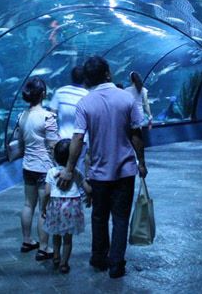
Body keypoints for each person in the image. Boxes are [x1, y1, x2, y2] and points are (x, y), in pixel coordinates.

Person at [57, 56, 148, 279]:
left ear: (88, 78)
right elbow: (136, 135)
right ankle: (116, 263)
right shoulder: (127, 99)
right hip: (125, 171)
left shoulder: (86, 103)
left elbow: (77, 138)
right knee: (120, 218)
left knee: (99, 217)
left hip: (98, 172)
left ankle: (99, 258)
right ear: (107, 73)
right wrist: (142, 163)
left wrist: (69, 168)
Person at [16, 77, 59, 261]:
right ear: (43, 94)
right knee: (44, 208)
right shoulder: (47, 117)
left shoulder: (21, 116)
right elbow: (53, 145)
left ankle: (27, 240)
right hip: (44, 168)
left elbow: (19, 142)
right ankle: (43, 247)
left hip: (28, 166)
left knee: (28, 204)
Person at [41, 139, 92, 274]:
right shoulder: (75, 172)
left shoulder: (51, 172)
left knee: (56, 234)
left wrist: (43, 207)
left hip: (55, 207)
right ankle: (64, 264)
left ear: (55, 156)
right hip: (72, 207)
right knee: (68, 239)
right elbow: (87, 188)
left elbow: (46, 193)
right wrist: (90, 198)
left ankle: (56, 256)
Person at [48, 66, 89, 139]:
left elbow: (51, 116)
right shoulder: (88, 96)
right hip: (81, 141)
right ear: (85, 78)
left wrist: (52, 137)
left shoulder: (60, 92)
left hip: (61, 139)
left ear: (71, 77)